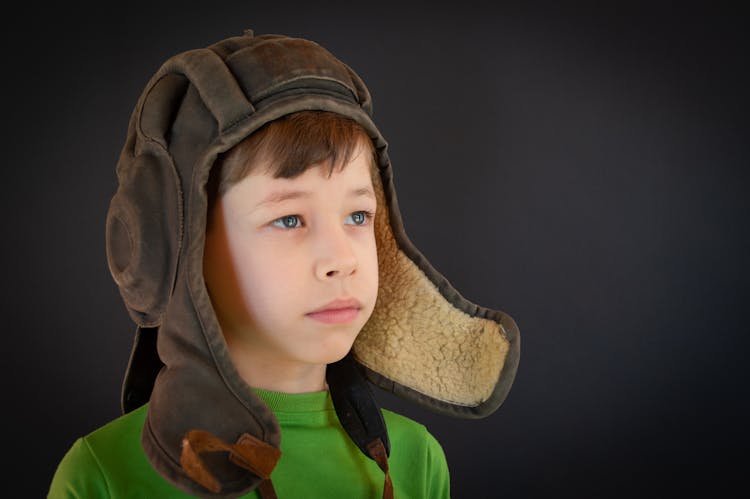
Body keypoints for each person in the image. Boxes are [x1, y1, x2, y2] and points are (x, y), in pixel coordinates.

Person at [48, 28, 520, 498]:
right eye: (289, 219)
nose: (341, 259)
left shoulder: (416, 459)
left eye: (358, 215)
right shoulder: (105, 474)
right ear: (178, 248)